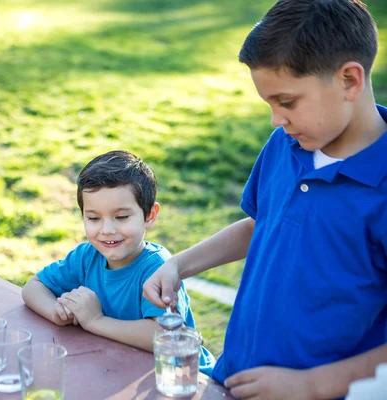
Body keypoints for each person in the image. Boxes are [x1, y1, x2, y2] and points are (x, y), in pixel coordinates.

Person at [142, 0, 387, 398]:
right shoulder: (285, 144)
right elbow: (261, 224)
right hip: (237, 378)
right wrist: (178, 265)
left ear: (349, 80)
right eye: (269, 104)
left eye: (287, 102)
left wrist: (312, 385)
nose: (276, 119)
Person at [22, 150, 214, 372]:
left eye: (121, 217)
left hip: (181, 377)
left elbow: (166, 335)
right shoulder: (86, 256)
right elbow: (33, 287)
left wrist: (95, 321)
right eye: (94, 218)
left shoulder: (157, 267)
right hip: (115, 368)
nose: (107, 230)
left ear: (150, 215)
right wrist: (56, 312)